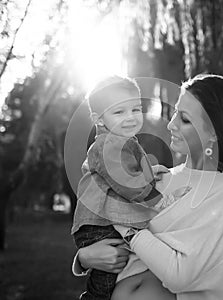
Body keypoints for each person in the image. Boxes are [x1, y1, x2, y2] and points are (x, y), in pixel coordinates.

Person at [73, 74, 223, 300]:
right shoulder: (162, 178)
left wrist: (128, 229)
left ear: (214, 134)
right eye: (176, 112)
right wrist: (84, 258)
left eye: (184, 119)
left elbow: (179, 275)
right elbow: (100, 208)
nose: (171, 124)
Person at [71, 76, 183, 300]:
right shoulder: (108, 144)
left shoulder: (121, 141)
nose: (130, 117)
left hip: (103, 220)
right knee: (105, 280)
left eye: (135, 109)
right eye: (119, 112)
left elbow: (132, 171)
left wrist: (153, 172)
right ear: (99, 119)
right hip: (99, 224)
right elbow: (127, 182)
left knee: (113, 269)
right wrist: (159, 200)